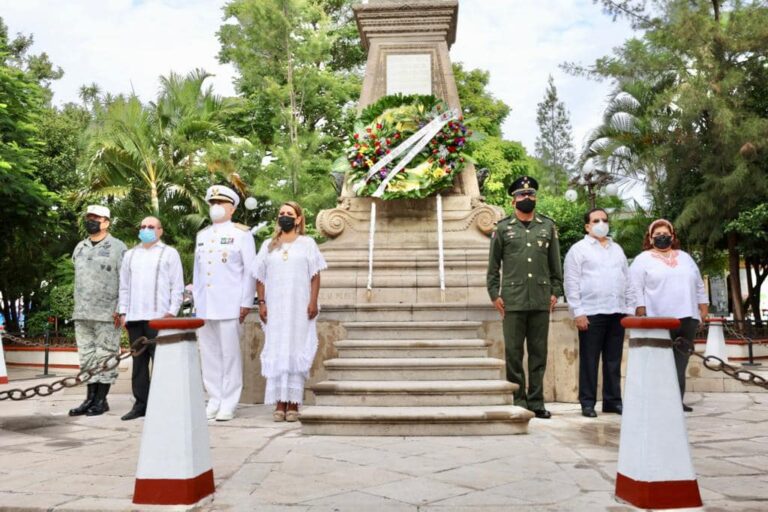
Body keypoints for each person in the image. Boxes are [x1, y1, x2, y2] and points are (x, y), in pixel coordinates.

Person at [486, 176, 563, 419]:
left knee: (539, 353)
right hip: (513, 300)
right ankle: (518, 399)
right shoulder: (502, 228)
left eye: (530, 195)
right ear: (513, 200)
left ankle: (536, 401)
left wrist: (555, 291)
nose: (526, 198)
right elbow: (492, 267)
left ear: (535, 198)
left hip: (540, 299)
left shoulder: (547, 227)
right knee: (514, 353)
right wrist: (494, 295)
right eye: (521, 195)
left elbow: (555, 266)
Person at [253, 201, 326, 422]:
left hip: (299, 306)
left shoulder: (307, 243)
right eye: (281, 213)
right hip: (276, 307)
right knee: (277, 347)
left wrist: (313, 302)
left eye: (289, 213)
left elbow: (315, 276)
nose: (284, 216)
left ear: (298, 219)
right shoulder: (268, 245)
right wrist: (262, 303)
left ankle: (293, 402)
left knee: (296, 347)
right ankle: (279, 402)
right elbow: (260, 277)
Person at [630, 218, 709, 412]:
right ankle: (657, 402)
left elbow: (698, 284)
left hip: (687, 317)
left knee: (680, 363)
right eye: (657, 235)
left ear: (672, 237)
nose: (662, 237)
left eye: (666, 234)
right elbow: (634, 287)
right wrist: (640, 309)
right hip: (659, 319)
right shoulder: (642, 259)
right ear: (650, 238)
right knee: (659, 363)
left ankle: (676, 401)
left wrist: (703, 306)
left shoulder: (685, 257)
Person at [193, 185, 257, 421]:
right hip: (206, 305)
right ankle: (214, 398)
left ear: (232, 208)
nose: (216, 207)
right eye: (213, 203)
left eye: (221, 203)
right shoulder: (202, 235)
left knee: (230, 355)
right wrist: (197, 304)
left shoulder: (242, 234)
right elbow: (198, 274)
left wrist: (246, 302)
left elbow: (250, 271)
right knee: (208, 354)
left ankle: (229, 402)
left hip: (230, 304)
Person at [564, 208, 635, 418]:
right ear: (587, 226)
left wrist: (629, 310)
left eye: (604, 220)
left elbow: (627, 280)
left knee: (613, 360)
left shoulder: (617, 249)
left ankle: (613, 401)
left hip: (617, 312)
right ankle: (587, 403)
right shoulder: (578, 250)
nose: (601, 223)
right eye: (596, 220)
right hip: (591, 313)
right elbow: (571, 283)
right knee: (589, 360)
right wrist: (578, 312)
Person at [118, 216, 184, 420]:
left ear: (160, 231)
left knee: (162, 362)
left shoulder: (169, 253)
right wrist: (123, 312)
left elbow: (177, 286)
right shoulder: (130, 255)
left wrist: (172, 312)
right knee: (139, 364)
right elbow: (124, 286)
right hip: (135, 317)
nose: (146, 229)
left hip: (159, 318)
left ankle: (163, 405)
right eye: (143, 226)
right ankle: (141, 404)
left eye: (151, 227)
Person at [69, 205, 127, 417]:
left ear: (107, 222)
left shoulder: (118, 247)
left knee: (106, 356)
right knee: (86, 357)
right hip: (82, 312)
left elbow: (126, 280)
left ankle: (101, 401)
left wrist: (121, 308)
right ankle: (89, 399)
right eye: (89, 217)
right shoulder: (80, 247)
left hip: (107, 313)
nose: (91, 221)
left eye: (96, 218)